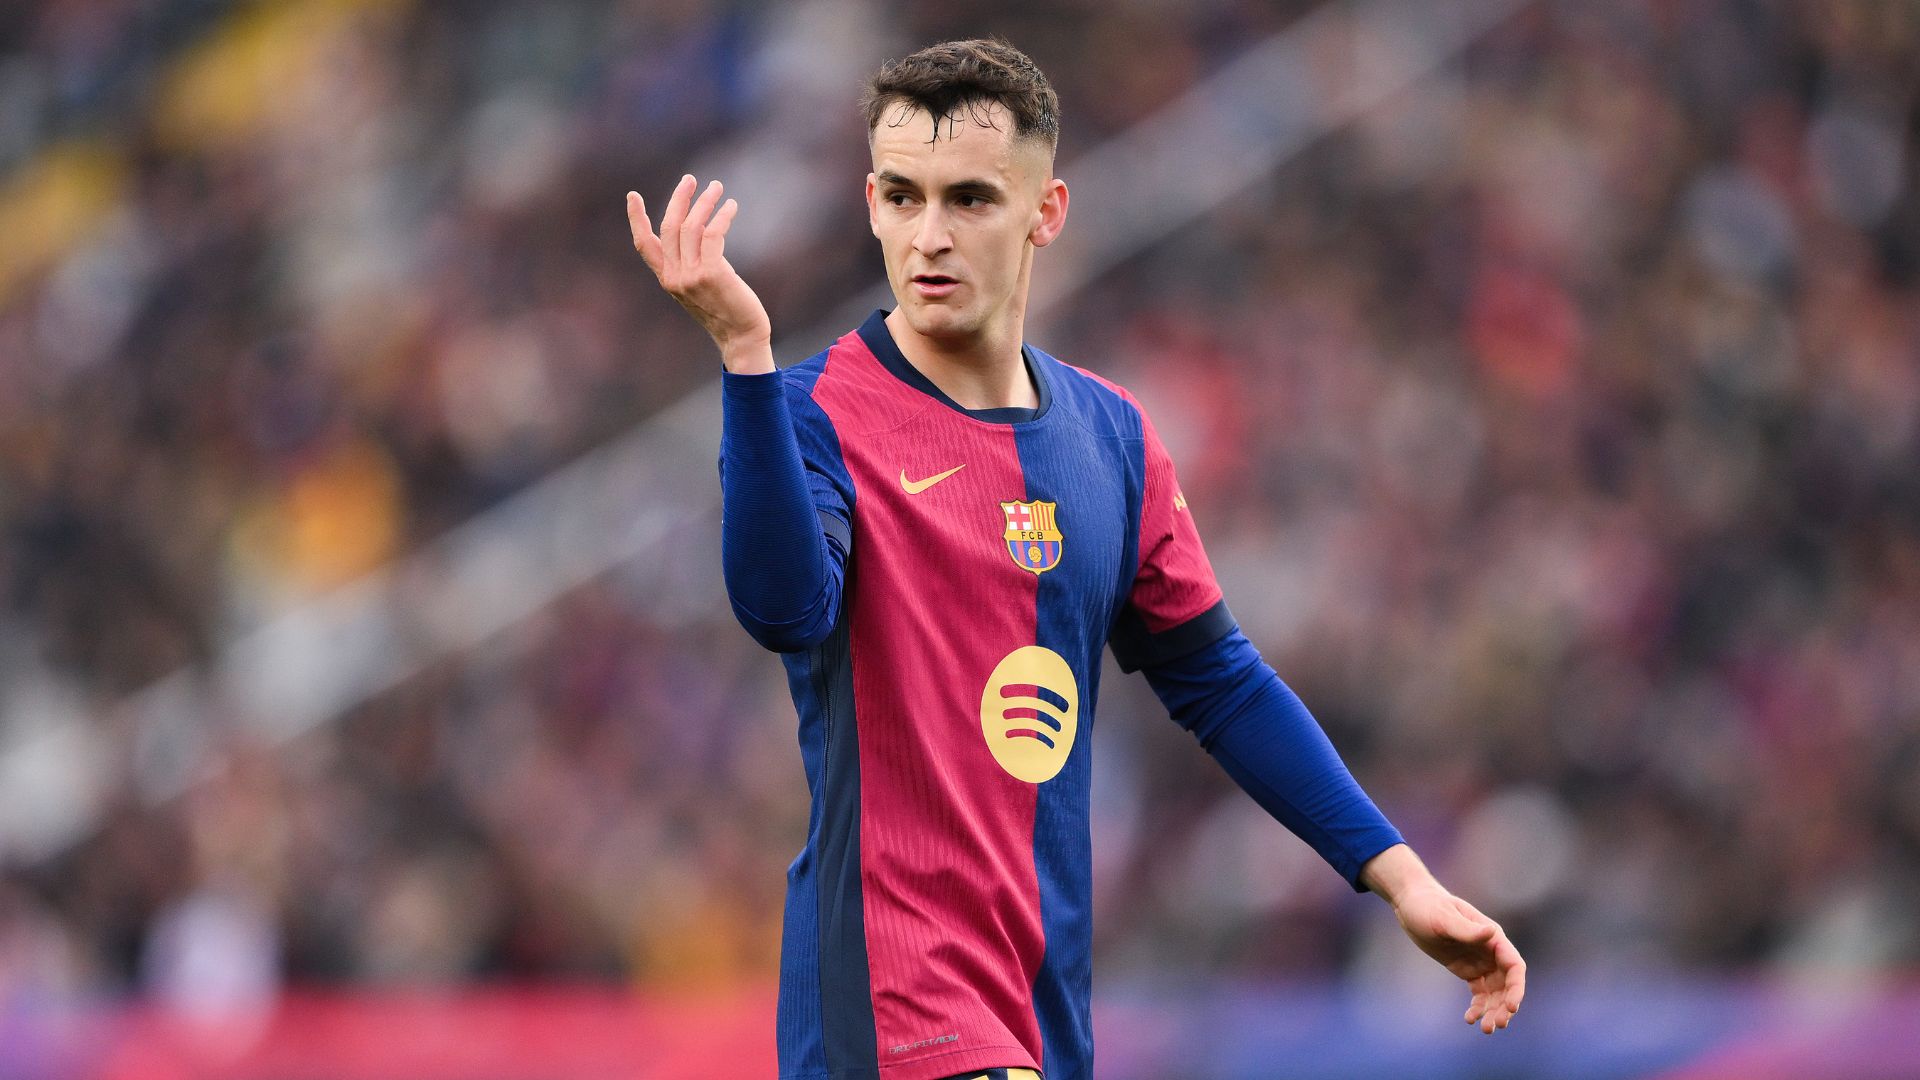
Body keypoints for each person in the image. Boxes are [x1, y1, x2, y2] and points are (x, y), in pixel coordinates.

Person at [627, 37, 1524, 1080]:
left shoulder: (1112, 438)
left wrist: (1403, 879)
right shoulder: (813, 411)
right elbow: (785, 611)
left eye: (970, 199)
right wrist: (745, 359)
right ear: (871, 204)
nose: (930, 235)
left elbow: (1220, 683)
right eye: (903, 197)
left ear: (1045, 212)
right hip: (894, 997)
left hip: (1043, 1007)